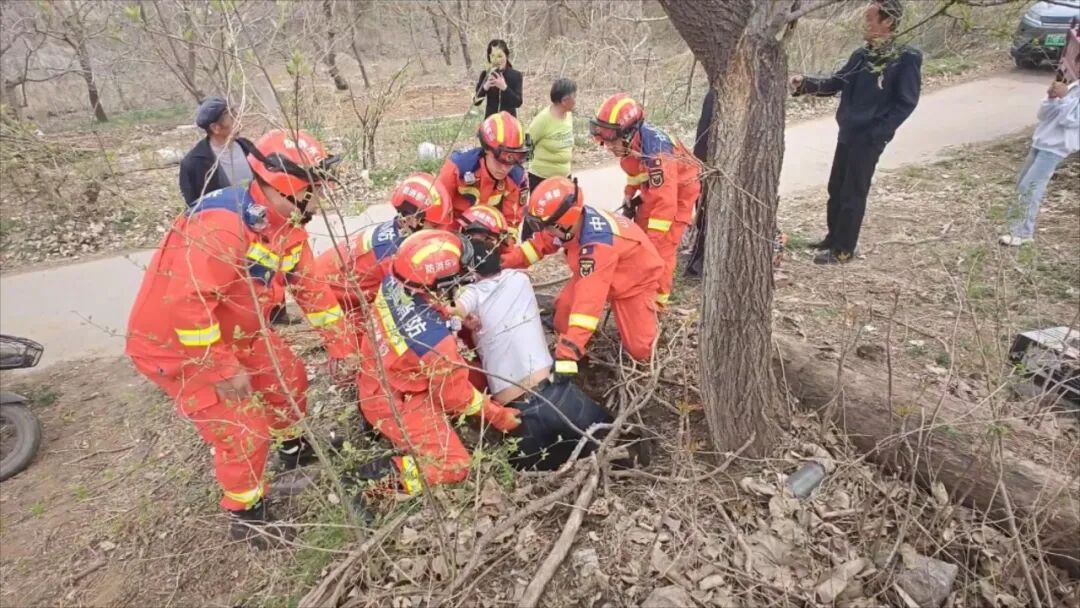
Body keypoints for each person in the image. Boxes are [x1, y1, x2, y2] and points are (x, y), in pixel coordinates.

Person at [126, 129, 357, 547]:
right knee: (244, 430)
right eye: (318, 187)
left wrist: (342, 345)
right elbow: (187, 304)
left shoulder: (284, 225)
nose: (323, 197)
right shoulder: (222, 225)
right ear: (290, 187)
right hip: (181, 347)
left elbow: (312, 290)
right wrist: (222, 368)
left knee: (287, 378)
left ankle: (294, 450)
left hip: (237, 333)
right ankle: (247, 514)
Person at [351, 230, 522, 503]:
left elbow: (423, 307)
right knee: (454, 465)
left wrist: (451, 317)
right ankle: (372, 481)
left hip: (383, 373)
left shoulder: (396, 280)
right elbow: (455, 397)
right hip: (397, 399)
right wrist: (498, 416)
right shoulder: (436, 343)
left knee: (474, 378)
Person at [451, 230, 615, 471]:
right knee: (613, 443)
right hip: (558, 394)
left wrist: (462, 318)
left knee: (537, 476)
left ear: (470, 273)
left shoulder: (469, 294)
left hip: (518, 416)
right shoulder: (520, 280)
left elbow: (453, 311)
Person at [791, 0, 922, 265]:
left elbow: (906, 103)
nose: (865, 24)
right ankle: (833, 239)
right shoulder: (861, 55)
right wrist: (805, 84)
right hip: (848, 132)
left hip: (869, 137)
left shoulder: (906, 57)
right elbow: (835, 83)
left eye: (870, 19)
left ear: (888, 21)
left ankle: (843, 250)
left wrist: (878, 133)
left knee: (853, 191)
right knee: (837, 187)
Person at [503, 177, 665, 381]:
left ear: (564, 223)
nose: (545, 231)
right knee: (562, 316)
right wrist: (502, 262)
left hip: (634, 282)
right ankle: (583, 344)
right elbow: (537, 246)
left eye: (547, 226)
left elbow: (587, 306)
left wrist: (567, 355)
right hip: (597, 272)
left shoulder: (597, 246)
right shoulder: (567, 224)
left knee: (641, 350)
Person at [589, 93, 701, 307]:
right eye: (602, 135)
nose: (607, 144)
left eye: (611, 138)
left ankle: (657, 304)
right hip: (656, 188)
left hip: (680, 193)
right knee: (639, 237)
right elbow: (635, 171)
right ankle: (639, 286)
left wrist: (653, 242)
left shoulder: (658, 154)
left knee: (661, 249)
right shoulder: (630, 144)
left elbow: (666, 204)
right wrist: (629, 192)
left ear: (628, 132)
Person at [315, 172, 453, 320]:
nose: (439, 233)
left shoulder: (399, 229)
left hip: (332, 281)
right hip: (327, 300)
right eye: (435, 226)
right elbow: (413, 303)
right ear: (412, 220)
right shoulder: (395, 256)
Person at [999, 77, 1079, 246]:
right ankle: (1014, 227)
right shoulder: (1073, 86)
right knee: (1022, 184)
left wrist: (1063, 98)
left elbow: (1070, 120)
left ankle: (1022, 233)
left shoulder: (1070, 92)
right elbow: (1043, 115)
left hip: (1056, 148)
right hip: (1041, 142)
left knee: (1030, 188)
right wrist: (1051, 98)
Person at [436, 111, 532, 231]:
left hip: (490, 235)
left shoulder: (517, 179)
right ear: (487, 150)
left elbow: (511, 223)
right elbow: (438, 211)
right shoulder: (458, 168)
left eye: (512, 162)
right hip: (453, 229)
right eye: (499, 161)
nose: (504, 168)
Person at [179, 96, 255, 206]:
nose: (238, 119)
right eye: (232, 117)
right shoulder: (194, 163)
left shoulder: (246, 146)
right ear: (215, 128)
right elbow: (195, 207)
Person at [526, 78, 577, 191]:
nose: (576, 100)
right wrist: (527, 168)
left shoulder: (568, 115)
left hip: (564, 177)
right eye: (574, 97)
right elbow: (527, 141)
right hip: (541, 179)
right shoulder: (543, 119)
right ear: (564, 101)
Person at [474, 39, 523, 118]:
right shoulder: (485, 74)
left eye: (500, 56)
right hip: (490, 121)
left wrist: (505, 88)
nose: (496, 60)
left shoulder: (516, 75)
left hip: (509, 121)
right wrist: (485, 87)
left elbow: (518, 103)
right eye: (492, 56)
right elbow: (476, 102)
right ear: (489, 57)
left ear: (506, 56)